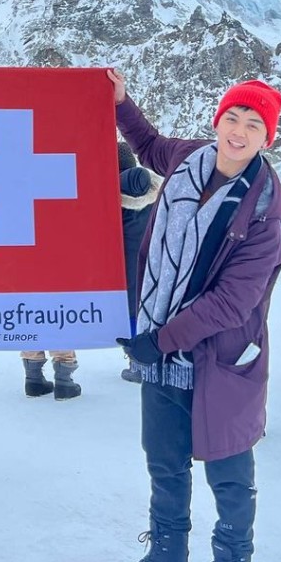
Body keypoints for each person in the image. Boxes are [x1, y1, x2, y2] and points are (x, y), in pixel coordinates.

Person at [107, 72, 281, 562]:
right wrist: (121, 103)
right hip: (162, 344)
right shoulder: (189, 160)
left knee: (229, 470)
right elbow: (149, 145)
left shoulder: (264, 211)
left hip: (219, 359)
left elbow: (232, 302)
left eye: (253, 124)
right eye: (233, 117)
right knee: (163, 455)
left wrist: (156, 340)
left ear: (266, 138)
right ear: (218, 120)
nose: (238, 130)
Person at [118, 141, 162, 383]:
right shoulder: (154, 194)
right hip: (152, 260)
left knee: (130, 313)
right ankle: (147, 359)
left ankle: (137, 363)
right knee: (148, 311)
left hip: (122, 264)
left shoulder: (112, 195)